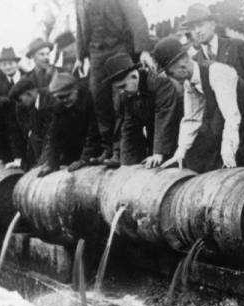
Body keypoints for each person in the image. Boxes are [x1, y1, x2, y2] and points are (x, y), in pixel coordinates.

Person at [152, 37, 244, 173]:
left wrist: (227, 152)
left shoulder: (217, 72)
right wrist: (181, 152)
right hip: (232, 127)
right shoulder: (189, 83)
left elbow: (232, 116)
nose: (170, 78)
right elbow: (192, 118)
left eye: (170, 73)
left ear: (182, 66)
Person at [183, 3, 244, 169]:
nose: (197, 31)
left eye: (200, 25)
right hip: (224, 130)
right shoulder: (196, 63)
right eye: (193, 28)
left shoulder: (237, 46)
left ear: (212, 24)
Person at [75, 0, 155, 165]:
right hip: (95, 52)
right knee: (99, 100)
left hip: (118, 46)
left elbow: (136, 16)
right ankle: (108, 148)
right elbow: (80, 25)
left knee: (120, 100)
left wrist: (143, 49)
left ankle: (121, 150)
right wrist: (79, 55)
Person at [102, 53, 181, 168]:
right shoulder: (127, 95)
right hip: (156, 139)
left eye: (123, 86)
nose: (121, 92)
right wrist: (126, 164)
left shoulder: (159, 83)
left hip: (177, 135)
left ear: (134, 76)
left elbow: (164, 117)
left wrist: (158, 153)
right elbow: (130, 128)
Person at [37, 73, 102, 177]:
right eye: (60, 98)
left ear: (76, 89)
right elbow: (54, 136)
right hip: (74, 150)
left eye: (67, 96)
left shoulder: (91, 100)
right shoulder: (59, 107)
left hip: (96, 149)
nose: (64, 100)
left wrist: (84, 159)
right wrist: (52, 163)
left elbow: (94, 133)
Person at [8, 79, 53, 170]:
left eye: (19, 100)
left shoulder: (50, 98)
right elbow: (36, 135)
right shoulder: (33, 106)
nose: (19, 104)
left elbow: (52, 133)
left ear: (29, 93)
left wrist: (41, 164)